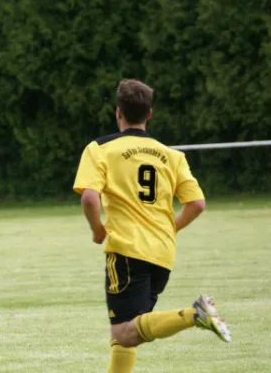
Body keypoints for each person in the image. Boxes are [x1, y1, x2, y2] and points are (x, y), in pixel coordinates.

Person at [73, 79, 231, 373]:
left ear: (118, 112)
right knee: (129, 334)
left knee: (123, 331)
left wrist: (97, 230)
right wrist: (170, 229)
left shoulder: (99, 149)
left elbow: (90, 198)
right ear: (149, 114)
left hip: (127, 249)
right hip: (163, 253)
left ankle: (194, 314)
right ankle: (194, 315)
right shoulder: (172, 155)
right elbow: (196, 204)